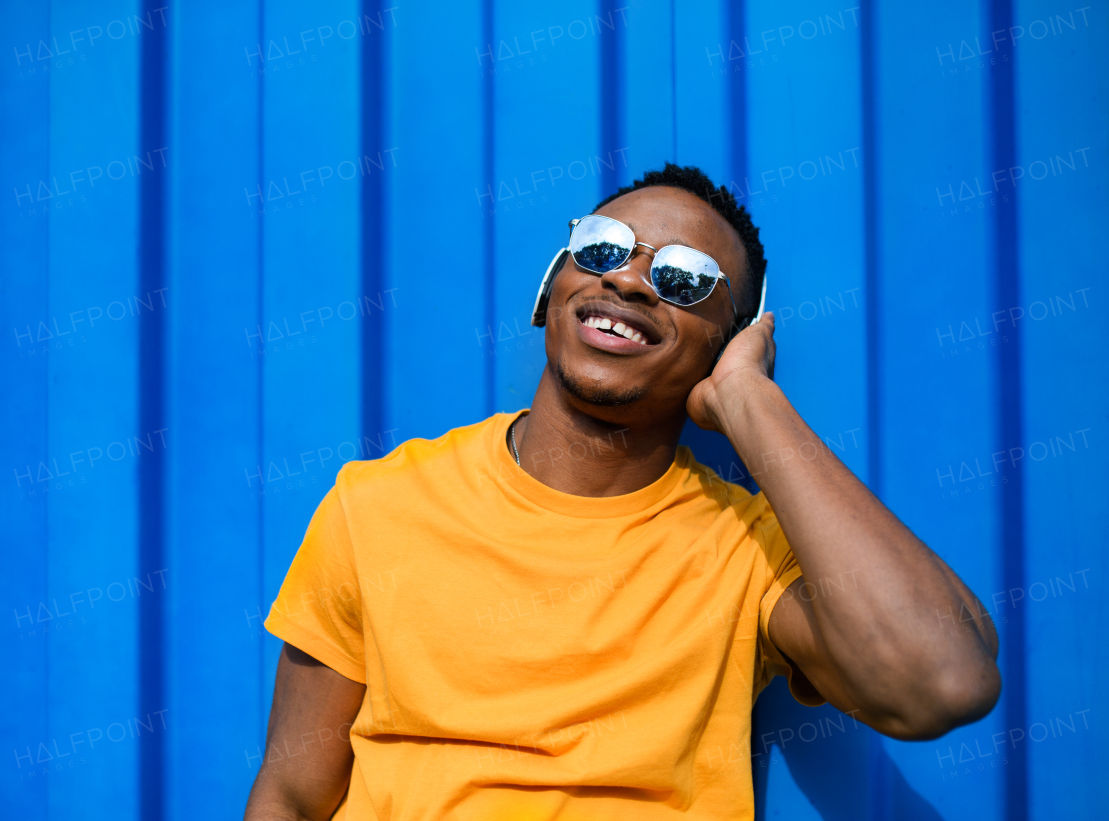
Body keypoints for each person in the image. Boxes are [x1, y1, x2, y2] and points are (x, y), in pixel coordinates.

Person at [243, 164, 1000, 820]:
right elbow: (291, 793)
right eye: (602, 248)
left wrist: (751, 403)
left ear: (726, 339)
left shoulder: (748, 549)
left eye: (683, 280)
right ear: (554, 283)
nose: (629, 279)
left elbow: (944, 681)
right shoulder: (379, 504)